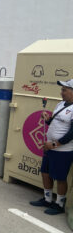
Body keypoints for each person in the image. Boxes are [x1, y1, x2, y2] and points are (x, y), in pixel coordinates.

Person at [30, 79, 73, 215]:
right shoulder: (61, 104)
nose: (61, 92)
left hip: (63, 150)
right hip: (50, 147)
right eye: (62, 90)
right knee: (45, 172)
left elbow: (72, 133)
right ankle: (47, 199)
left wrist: (54, 144)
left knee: (60, 177)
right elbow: (55, 123)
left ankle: (59, 204)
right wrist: (47, 118)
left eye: (64, 90)